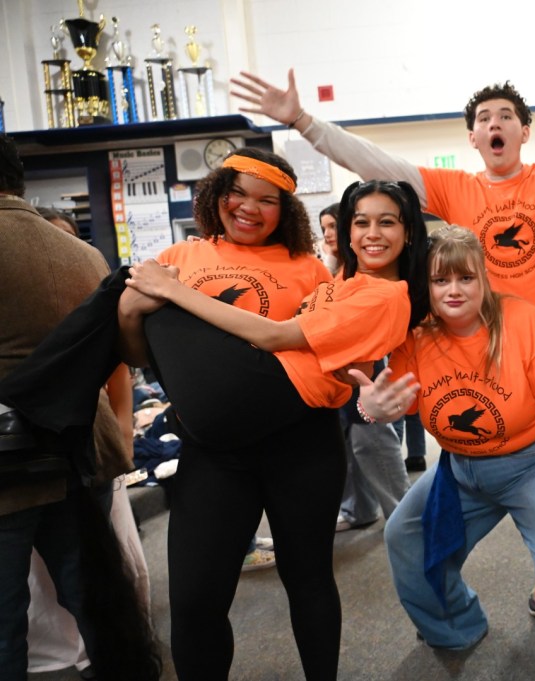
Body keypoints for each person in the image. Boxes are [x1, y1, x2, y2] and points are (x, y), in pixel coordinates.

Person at [230, 0, 535, 625]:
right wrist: (303, 120)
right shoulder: (454, 189)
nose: (495, 124)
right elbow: (375, 163)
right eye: (484, 118)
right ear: (472, 137)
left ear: (524, 132)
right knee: (526, 472)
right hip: (494, 352)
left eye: (506, 117)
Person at [0, 151, 394, 681]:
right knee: (194, 599)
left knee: (309, 579)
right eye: (238, 192)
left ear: (285, 210)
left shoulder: (308, 268)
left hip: (299, 444)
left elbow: (321, 352)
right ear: (216, 194)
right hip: (214, 450)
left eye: (267, 200)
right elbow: (138, 353)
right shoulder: (178, 257)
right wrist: (131, 311)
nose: (249, 208)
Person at [353, 225, 535, 681]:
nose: (454, 290)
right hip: (460, 470)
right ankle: (457, 628)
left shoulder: (526, 323)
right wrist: (370, 409)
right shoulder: (417, 334)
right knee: (405, 535)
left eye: (465, 278)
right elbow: (394, 404)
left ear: (483, 278)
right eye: (441, 280)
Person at [0, 134, 159, 681]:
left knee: (4, 622)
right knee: (98, 603)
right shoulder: (83, 253)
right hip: (80, 449)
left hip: (8, 464)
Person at [315, 200, 412, 531]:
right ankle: (360, 510)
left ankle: (405, 518)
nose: (329, 233)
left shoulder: (368, 272)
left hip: (368, 376)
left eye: (334, 226)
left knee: (374, 445)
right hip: (339, 382)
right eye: (324, 228)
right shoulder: (336, 270)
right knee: (351, 450)